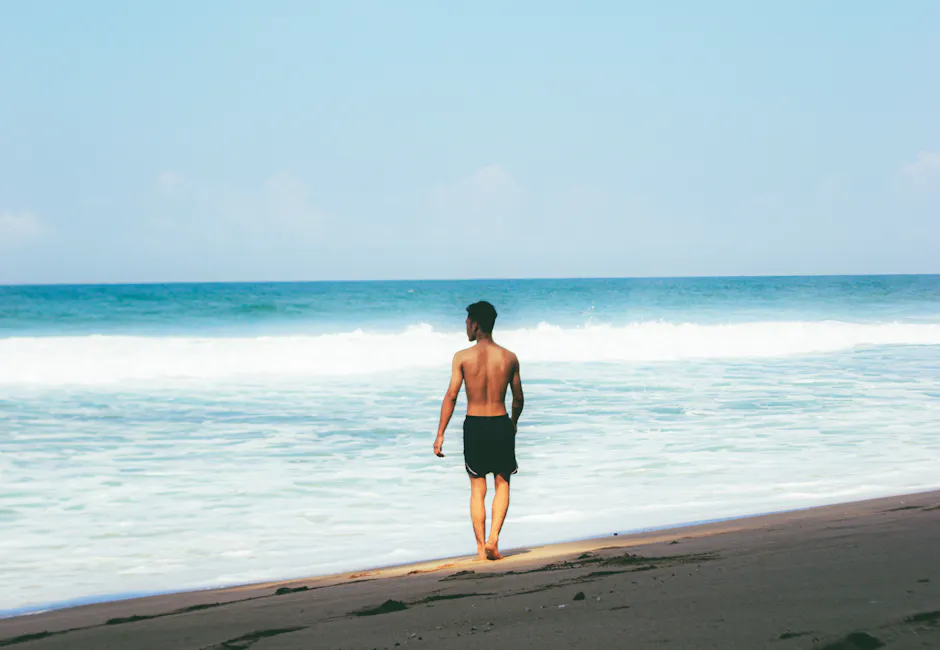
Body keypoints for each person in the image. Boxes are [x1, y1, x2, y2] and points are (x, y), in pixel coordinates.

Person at [433, 301, 524, 561]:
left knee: (477, 488)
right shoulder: (509, 357)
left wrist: (440, 433)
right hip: (500, 423)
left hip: (475, 425)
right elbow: (518, 398)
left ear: (475, 324)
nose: (465, 327)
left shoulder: (462, 357)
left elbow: (451, 396)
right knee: (502, 482)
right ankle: (493, 540)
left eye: (466, 323)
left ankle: (479, 550)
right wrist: (513, 424)